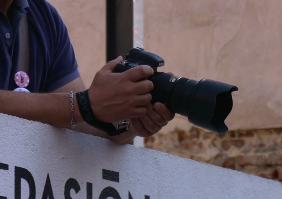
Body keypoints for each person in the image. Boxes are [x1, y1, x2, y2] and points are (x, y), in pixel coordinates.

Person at [0, 0, 174, 144]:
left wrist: (127, 122)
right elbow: (78, 107)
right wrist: (83, 105)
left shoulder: (45, 18)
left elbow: (81, 124)